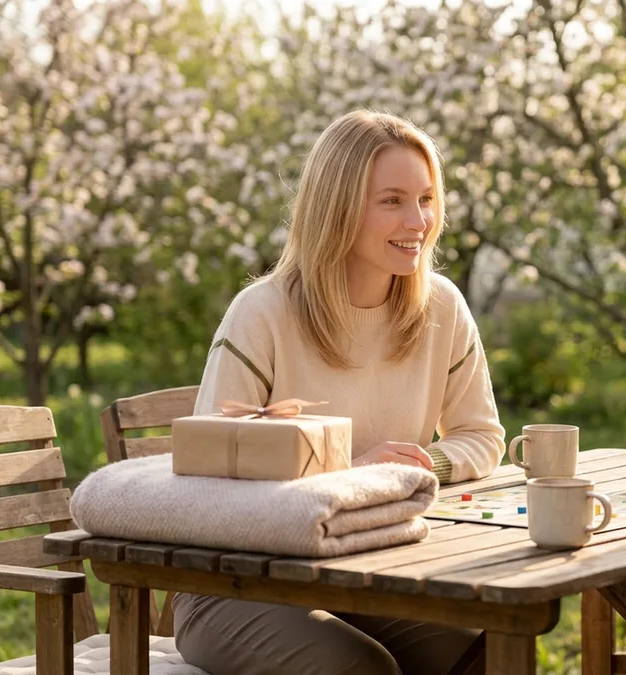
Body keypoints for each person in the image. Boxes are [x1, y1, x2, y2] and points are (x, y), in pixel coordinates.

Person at [173, 109, 506, 675]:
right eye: (392, 200)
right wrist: (353, 476)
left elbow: (481, 434)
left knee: (487, 649)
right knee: (356, 669)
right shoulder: (262, 313)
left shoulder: (442, 306)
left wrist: (426, 468)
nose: (419, 220)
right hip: (235, 582)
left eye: (426, 199)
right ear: (337, 208)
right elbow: (211, 479)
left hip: (367, 569)